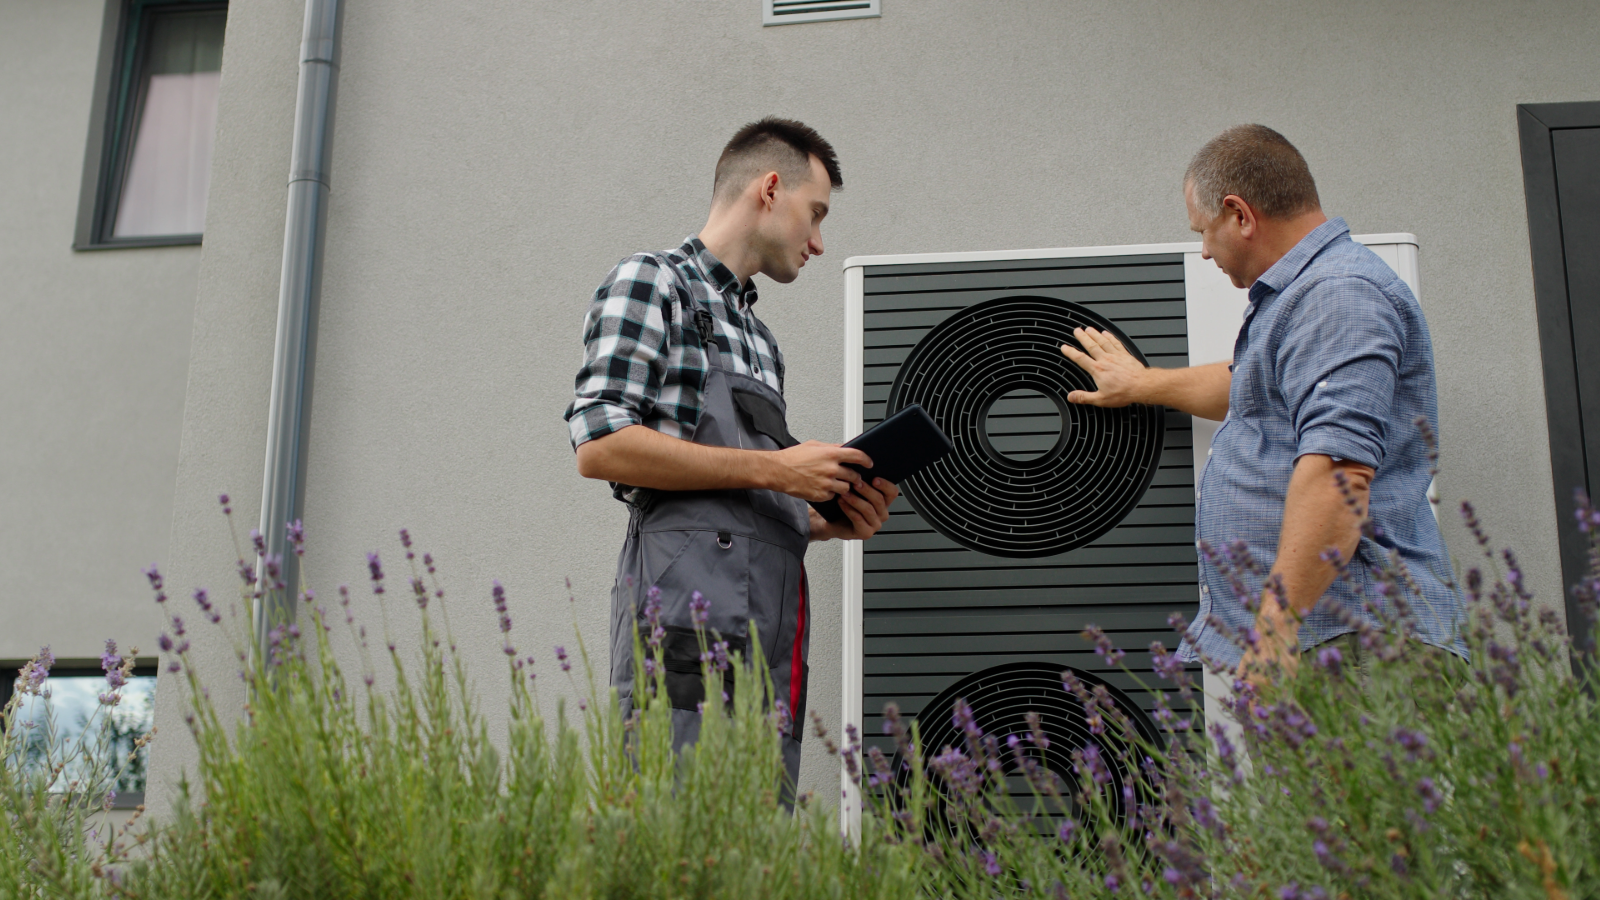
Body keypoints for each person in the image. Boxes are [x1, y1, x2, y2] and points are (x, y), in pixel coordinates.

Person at [1060, 124, 1466, 686]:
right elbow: (1250, 384)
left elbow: (1337, 474)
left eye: (1204, 231)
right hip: (1327, 638)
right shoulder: (1307, 296)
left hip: (1355, 643)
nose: (1203, 251)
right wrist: (1141, 384)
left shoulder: (1337, 295)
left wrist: (1274, 630)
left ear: (1240, 215)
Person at [564, 118, 899, 787]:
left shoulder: (761, 340)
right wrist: (780, 468)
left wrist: (818, 517)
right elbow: (600, 442)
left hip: (768, 633)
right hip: (683, 620)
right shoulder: (651, 282)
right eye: (816, 215)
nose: (820, 243)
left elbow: (736, 495)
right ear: (770, 189)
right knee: (677, 830)